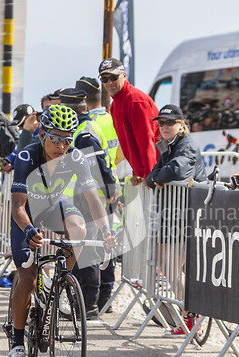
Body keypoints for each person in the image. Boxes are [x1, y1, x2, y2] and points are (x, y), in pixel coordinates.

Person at [8, 104, 117, 357]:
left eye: (67, 138)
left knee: (79, 226)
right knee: (27, 278)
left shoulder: (76, 157)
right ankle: (18, 345)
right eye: (55, 137)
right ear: (43, 133)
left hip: (54, 209)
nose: (61, 145)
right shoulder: (26, 155)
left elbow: (94, 199)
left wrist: (107, 230)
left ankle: (61, 283)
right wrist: (29, 230)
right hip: (27, 216)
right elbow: (17, 208)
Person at [145, 104, 206, 336]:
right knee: (170, 266)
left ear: (182, 125)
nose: (164, 126)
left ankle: (192, 316)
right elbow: (152, 176)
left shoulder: (186, 145)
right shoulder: (169, 146)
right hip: (174, 216)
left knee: (171, 267)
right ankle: (188, 315)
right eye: (161, 123)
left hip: (185, 216)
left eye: (170, 122)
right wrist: (156, 177)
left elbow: (177, 170)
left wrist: (158, 176)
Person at [60, 88, 118, 319]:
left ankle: (89, 304)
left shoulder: (83, 133)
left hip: (86, 197)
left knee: (88, 250)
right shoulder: (85, 127)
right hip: (85, 195)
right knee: (84, 248)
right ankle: (87, 300)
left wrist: (109, 190)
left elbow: (97, 166)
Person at [76, 76, 121, 312]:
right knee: (106, 242)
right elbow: (118, 154)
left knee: (92, 245)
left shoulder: (87, 124)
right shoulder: (109, 119)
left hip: (92, 191)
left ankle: (94, 299)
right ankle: (105, 296)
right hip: (108, 188)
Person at [98, 58, 159, 186]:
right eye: (104, 79)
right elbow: (129, 142)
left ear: (124, 75)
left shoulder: (135, 100)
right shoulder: (115, 105)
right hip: (147, 175)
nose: (109, 82)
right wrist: (137, 172)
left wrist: (149, 174)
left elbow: (146, 141)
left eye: (113, 77)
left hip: (157, 174)